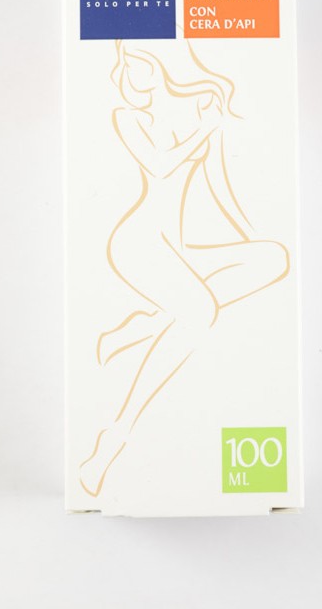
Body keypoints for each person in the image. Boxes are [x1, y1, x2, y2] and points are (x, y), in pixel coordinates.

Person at [79, 36, 290, 496]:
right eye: (125, 61)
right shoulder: (129, 117)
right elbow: (158, 167)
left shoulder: (200, 110)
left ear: (160, 62)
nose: (126, 71)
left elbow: (219, 185)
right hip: (137, 245)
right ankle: (113, 439)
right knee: (198, 313)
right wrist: (205, 132)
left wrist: (248, 237)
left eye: (135, 61)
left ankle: (148, 325)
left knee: (273, 257)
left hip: (175, 250)